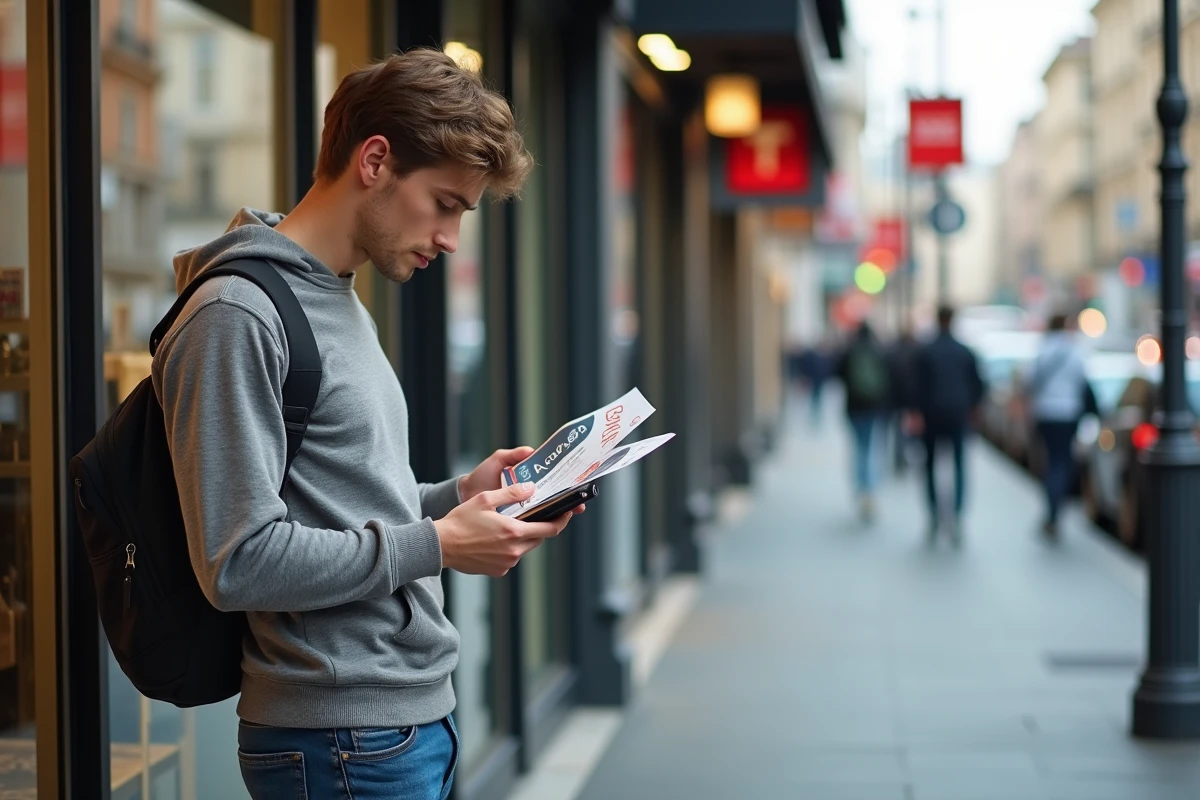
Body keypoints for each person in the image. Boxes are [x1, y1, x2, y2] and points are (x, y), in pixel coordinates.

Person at [151, 49, 579, 800]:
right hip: (341, 742)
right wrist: (439, 544)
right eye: (445, 203)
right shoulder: (237, 315)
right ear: (375, 160)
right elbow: (238, 561)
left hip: (407, 726)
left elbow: (341, 503)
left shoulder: (338, 298)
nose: (451, 238)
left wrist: (455, 497)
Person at [912, 306, 985, 543]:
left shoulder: (927, 350)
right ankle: (956, 515)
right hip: (957, 415)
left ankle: (934, 514)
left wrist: (915, 413)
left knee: (930, 466)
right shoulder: (964, 351)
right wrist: (972, 409)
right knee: (959, 466)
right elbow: (978, 386)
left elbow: (917, 386)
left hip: (932, 415)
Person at [1024, 312, 1094, 539]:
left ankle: (1052, 512)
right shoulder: (1075, 350)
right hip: (1068, 412)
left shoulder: (1043, 349)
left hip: (1045, 412)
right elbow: (1082, 380)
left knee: (1051, 461)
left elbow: (1030, 380)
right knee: (1062, 461)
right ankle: (1056, 511)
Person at [835, 321, 892, 522]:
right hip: (873, 408)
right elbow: (887, 380)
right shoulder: (879, 351)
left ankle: (861, 489)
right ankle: (870, 491)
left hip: (854, 408)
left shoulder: (851, 350)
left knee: (858, 449)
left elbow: (838, 374)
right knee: (870, 449)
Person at [886, 324, 922, 473]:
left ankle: (899, 460)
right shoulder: (918, 351)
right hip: (914, 398)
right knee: (915, 431)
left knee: (899, 430)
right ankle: (914, 458)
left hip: (896, 399)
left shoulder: (893, 352)